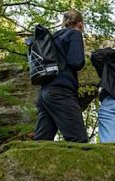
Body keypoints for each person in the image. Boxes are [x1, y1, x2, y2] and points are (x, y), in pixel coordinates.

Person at [34, 10, 89, 143]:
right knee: (79, 139)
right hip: (61, 92)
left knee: (42, 140)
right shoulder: (74, 34)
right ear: (80, 24)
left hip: (44, 93)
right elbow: (75, 62)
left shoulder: (53, 38)